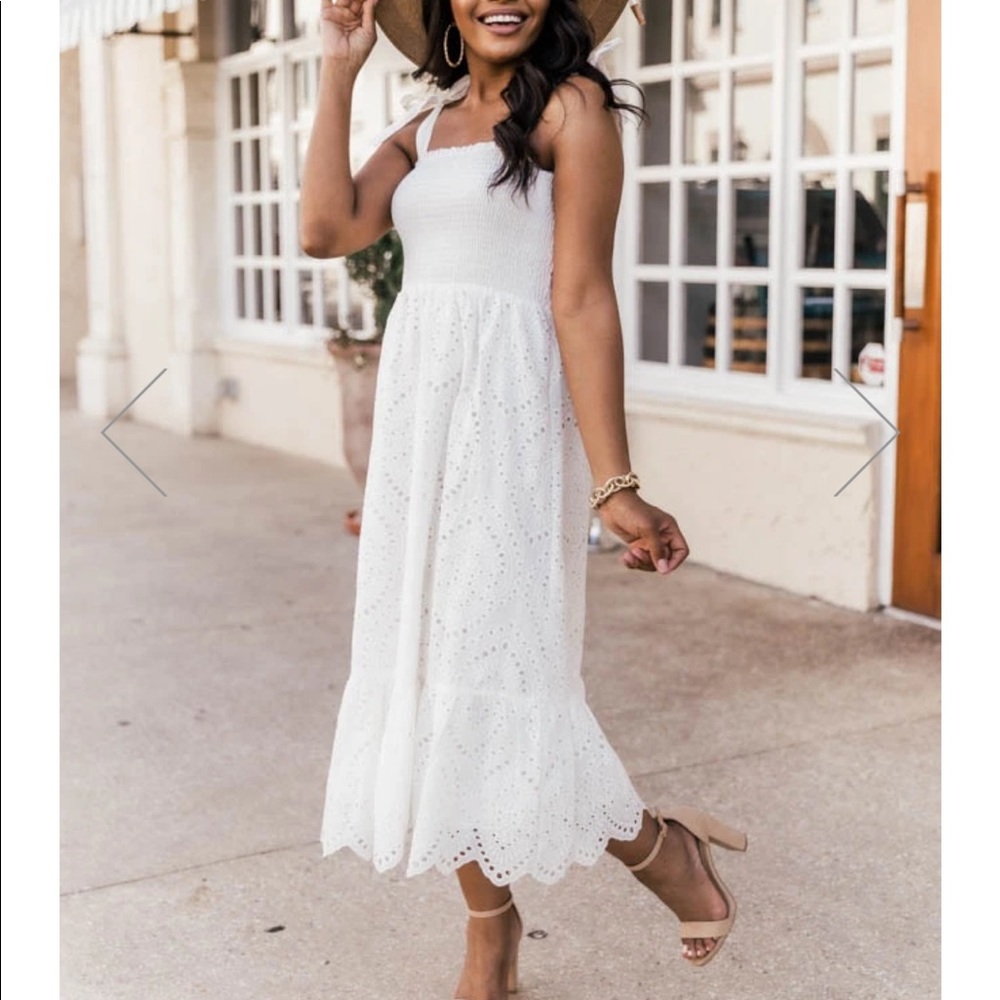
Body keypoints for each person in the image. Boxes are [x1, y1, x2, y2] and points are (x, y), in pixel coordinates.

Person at [300, 2, 748, 996]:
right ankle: (491, 931)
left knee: (502, 676)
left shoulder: (570, 112)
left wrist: (616, 484)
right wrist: (336, 70)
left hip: (503, 424)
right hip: (424, 431)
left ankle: (664, 853)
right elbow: (326, 228)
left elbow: (579, 294)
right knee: (429, 677)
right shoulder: (421, 132)